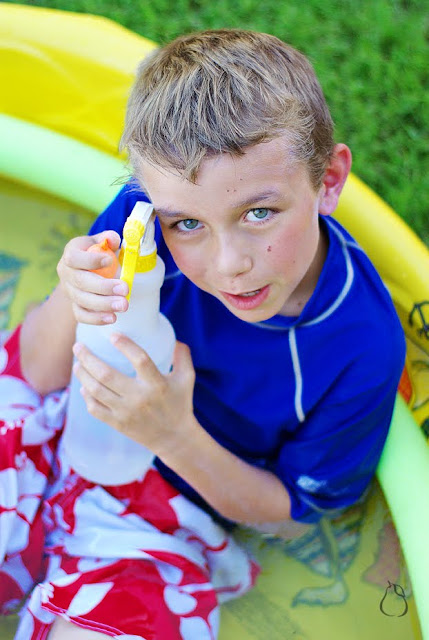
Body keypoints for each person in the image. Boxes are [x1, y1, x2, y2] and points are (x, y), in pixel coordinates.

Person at [0, 29, 405, 639]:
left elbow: (290, 517)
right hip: (51, 422)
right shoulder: (143, 226)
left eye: (259, 213)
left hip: (163, 521)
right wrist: (71, 294)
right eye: (188, 223)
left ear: (328, 180)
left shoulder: (361, 347)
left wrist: (173, 435)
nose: (228, 264)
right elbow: (34, 373)